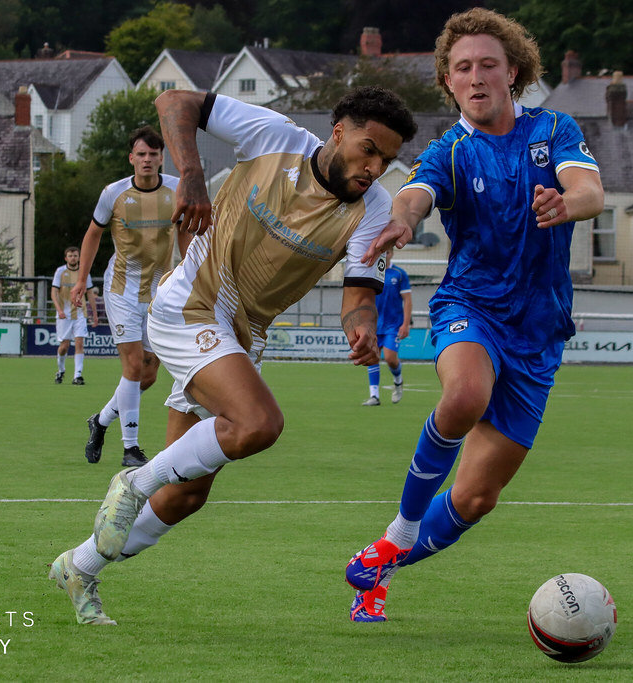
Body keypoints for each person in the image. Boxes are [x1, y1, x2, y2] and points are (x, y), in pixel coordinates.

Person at [48, 86, 417, 625]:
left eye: (385, 160)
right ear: (338, 132)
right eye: (368, 150)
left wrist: (360, 330)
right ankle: (132, 480)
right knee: (259, 423)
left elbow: (359, 297)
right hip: (192, 303)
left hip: (246, 335)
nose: (374, 167)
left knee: (187, 495)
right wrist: (192, 175)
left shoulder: (374, 209)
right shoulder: (276, 137)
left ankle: (79, 567)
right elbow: (176, 101)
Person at [344, 7, 604, 622]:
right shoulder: (450, 151)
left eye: (489, 64)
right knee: (463, 395)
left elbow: (591, 189)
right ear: (449, 82)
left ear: (513, 72)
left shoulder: (553, 129)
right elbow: (414, 194)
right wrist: (403, 219)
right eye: (463, 68)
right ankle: (403, 530)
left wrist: (568, 203)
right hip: (472, 306)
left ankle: (378, 564)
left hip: (540, 333)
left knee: (476, 496)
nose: (477, 75)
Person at [70, 126, 192, 467]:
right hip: (121, 290)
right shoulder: (114, 194)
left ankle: (101, 420)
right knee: (134, 367)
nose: (148, 160)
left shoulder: (177, 189)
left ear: (161, 158)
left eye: (154, 154)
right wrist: (82, 281)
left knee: (149, 374)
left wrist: (191, 276)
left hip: (159, 292)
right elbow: (93, 234)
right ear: (131, 159)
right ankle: (131, 448)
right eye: (141, 154)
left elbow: (184, 234)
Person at [362, 249, 412, 406]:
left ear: (392, 254)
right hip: (373, 324)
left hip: (392, 325)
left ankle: (398, 381)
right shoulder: (370, 273)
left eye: (388, 252)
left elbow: (407, 300)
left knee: (390, 358)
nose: (385, 254)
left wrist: (405, 324)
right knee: (372, 357)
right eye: (382, 252)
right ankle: (374, 396)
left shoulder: (399, 274)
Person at [51, 246, 97, 385]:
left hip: (80, 313)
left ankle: (77, 375)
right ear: (66, 258)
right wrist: (59, 310)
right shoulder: (60, 271)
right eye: (70, 256)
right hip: (64, 314)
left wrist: (94, 314)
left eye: (75, 255)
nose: (73, 258)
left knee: (79, 343)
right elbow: (54, 292)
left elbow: (89, 293)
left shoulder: (84, 272)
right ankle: (61, 370)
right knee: (64, 346)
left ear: (79, 257)